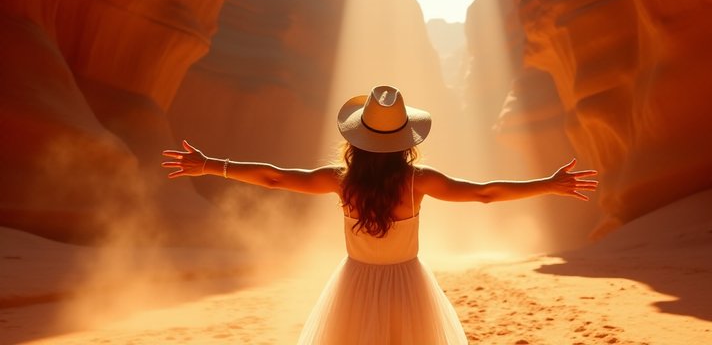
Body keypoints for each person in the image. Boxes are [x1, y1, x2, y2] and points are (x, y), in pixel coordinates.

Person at [162, 85, 598, 344]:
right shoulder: (417, 180)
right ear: (406, 138)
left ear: (357, 137)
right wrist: (548, 184)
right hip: (409, 285)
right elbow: (484, 194)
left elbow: (275, 178)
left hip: (354, 283)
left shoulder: (340, 179)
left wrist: (211, 165)